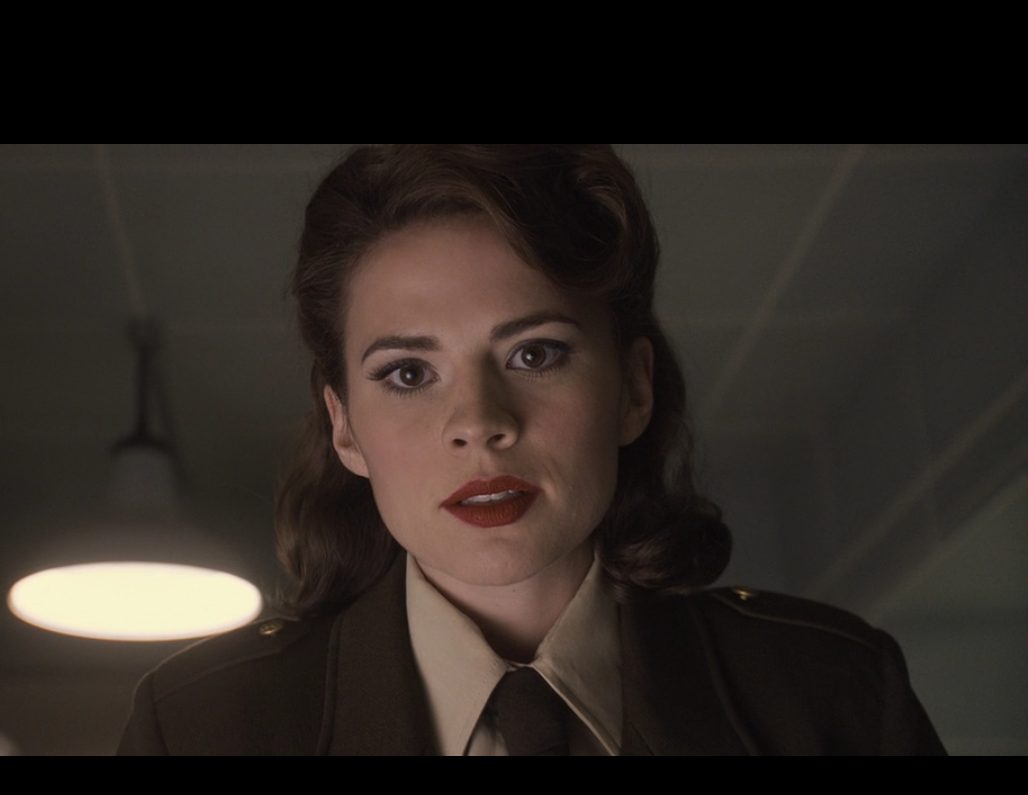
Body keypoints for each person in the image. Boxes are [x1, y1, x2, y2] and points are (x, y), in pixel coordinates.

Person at [117, 145, 945, 756]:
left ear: (633, 389)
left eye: (534, 354)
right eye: (408, 373)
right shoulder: (197, 728)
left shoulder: (832, 693)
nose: (479, 422)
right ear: (344, 428)